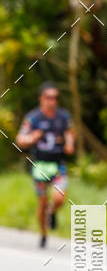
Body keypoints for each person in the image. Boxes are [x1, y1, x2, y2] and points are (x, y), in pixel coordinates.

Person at [16, 82, 75, 247]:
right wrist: (31, 138)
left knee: (59, 198)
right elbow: (20, 139)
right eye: (48, 97)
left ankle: (52, 211)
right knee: (41, 202)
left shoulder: (63, 117)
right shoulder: (33, 118)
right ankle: (43, 234)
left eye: (55, 97)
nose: (52, 101)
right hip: (40, 166)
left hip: (58, 165)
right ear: (41, 98)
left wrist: (70, 143)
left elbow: (70, 133)